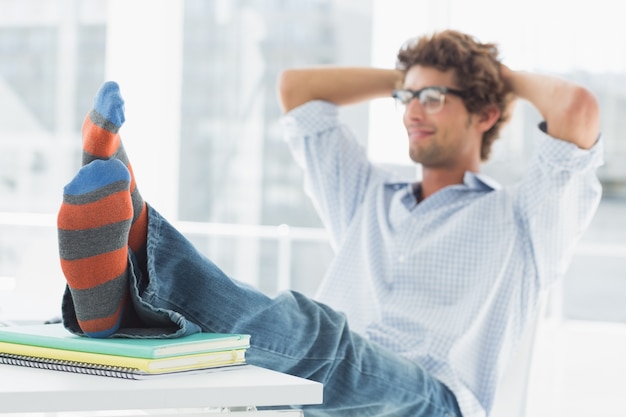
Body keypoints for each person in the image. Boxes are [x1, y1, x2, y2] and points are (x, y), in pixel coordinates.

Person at [56, 30, 603, 417]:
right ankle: (121, 282)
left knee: (320, 334)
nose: (412, 110)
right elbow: (298, 89)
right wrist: (416, 79)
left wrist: (489, 76)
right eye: (405, 98)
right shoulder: (368, 193)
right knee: (294, 343)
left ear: (485, 115)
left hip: (430, 400)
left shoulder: (523, 217)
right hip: (321, 382)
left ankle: (136, 238)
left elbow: (577, 107)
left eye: (433, 99)